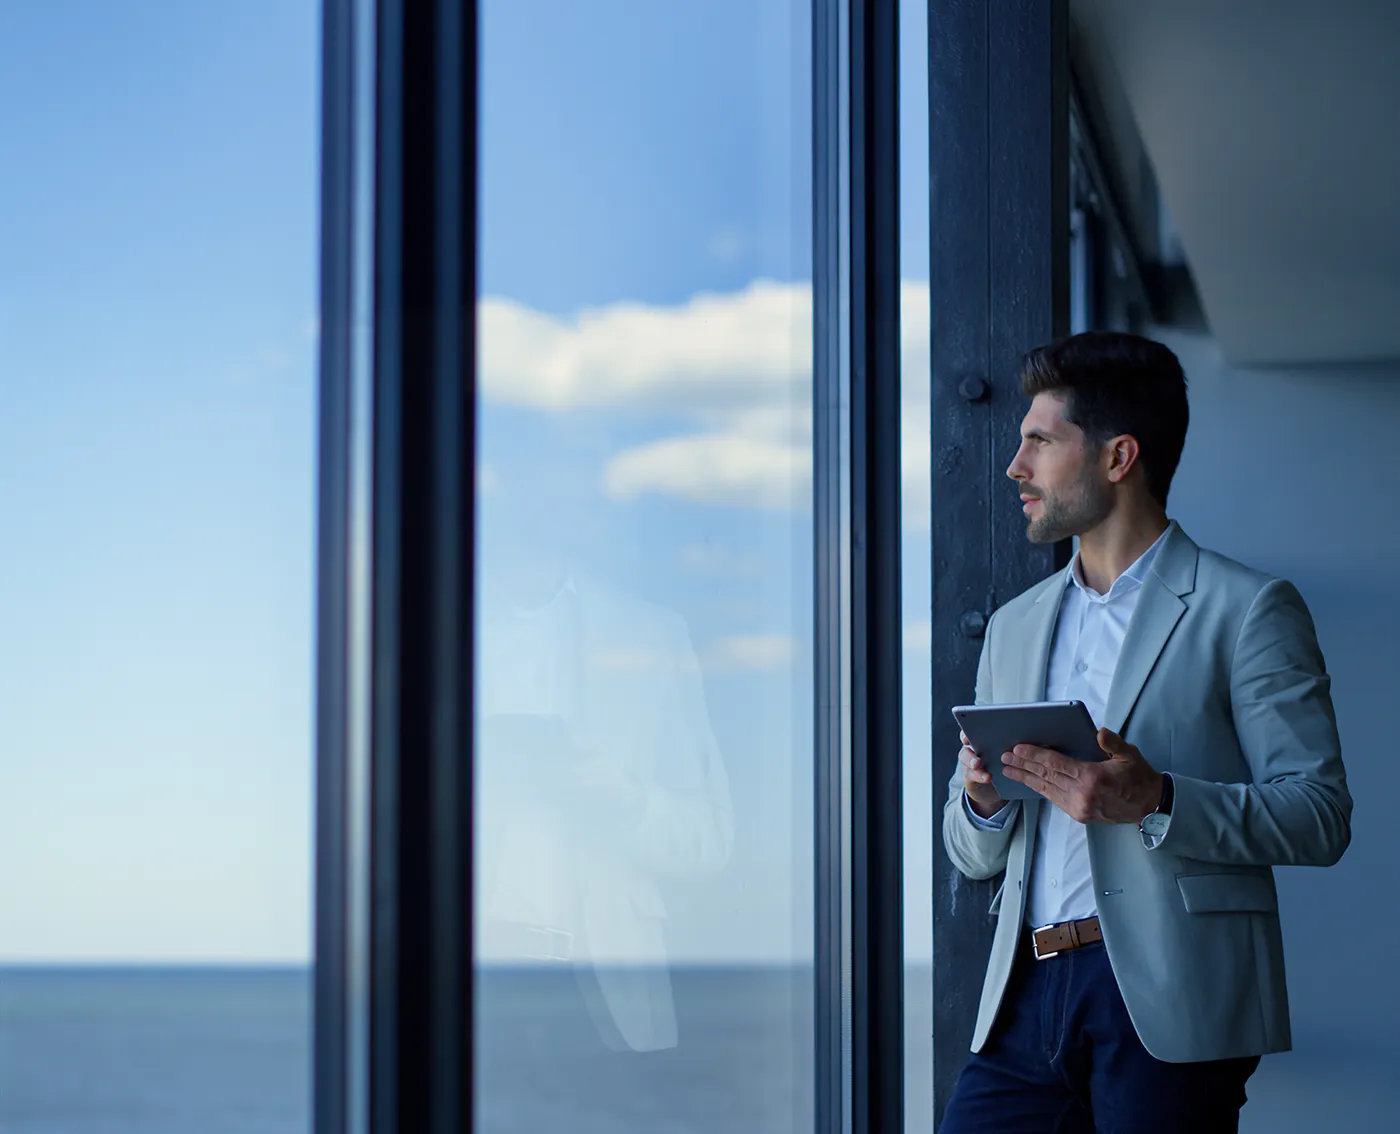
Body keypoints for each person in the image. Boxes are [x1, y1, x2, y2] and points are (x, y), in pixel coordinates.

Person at [939, 331, 1352, 1133]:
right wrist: (985, 802)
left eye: (1040, 442)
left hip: (1169, 1000)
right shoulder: (1015, 627)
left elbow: (1320, 815)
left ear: (1118, 457)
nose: (1016, 467)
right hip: (1024, 994)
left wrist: (1155, 798)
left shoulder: (1248, 609)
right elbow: (973, 851)